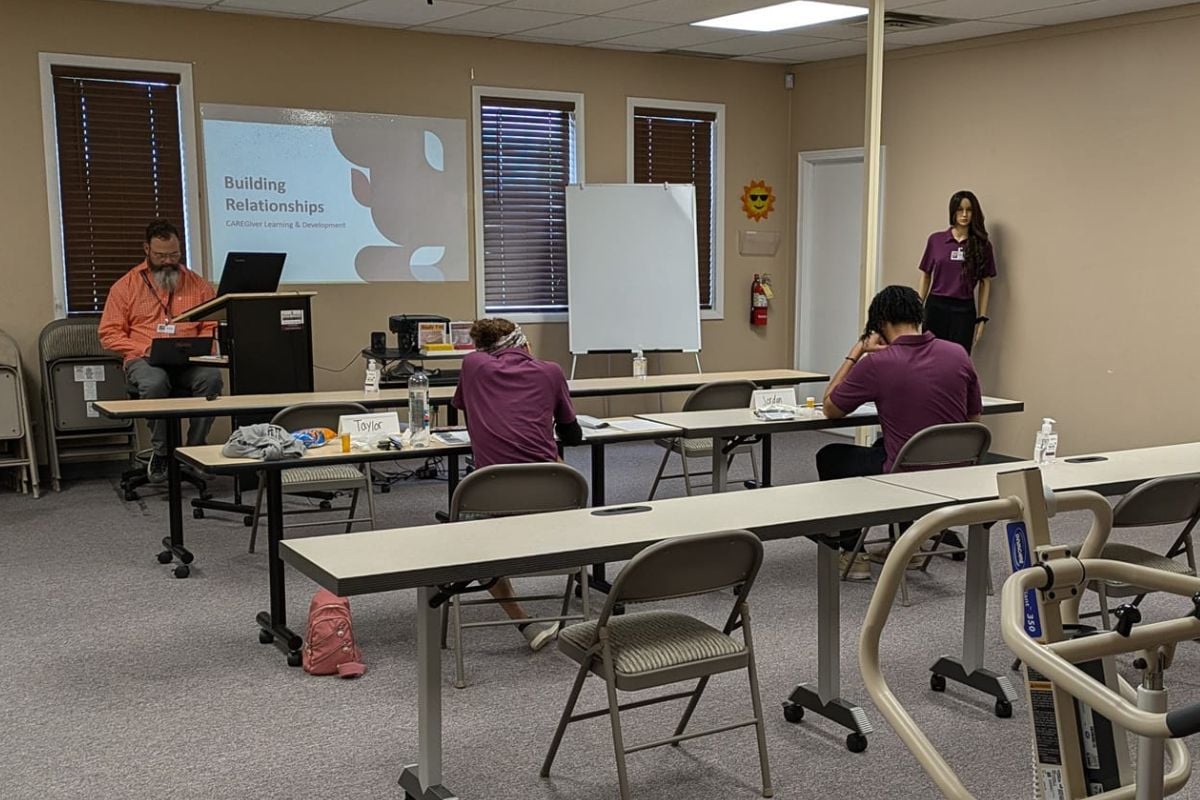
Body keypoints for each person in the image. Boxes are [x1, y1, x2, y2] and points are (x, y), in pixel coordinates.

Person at [816, 286, 982, 580]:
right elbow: (973, 420)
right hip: (959, 474)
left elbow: (830, 406)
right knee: (886, 444)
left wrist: (858, 352)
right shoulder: (957, 353)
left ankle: (855, 555)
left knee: (830, 456)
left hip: (906, 475)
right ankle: (911, 547)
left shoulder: (878, 364)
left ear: (880, 324)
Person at [451, 318, 583, 651]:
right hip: (553, 498)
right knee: (565, 473)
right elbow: (573, 434)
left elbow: (465, 406)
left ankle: (522, 621)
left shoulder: (472, 367)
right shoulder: (550, 371)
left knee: (468, 538)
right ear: (523, 343)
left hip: (491, 496)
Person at [99, 219, 222, 483]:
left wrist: (203, 348)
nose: (168, 261)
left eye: (174, 254)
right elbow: (109, 334)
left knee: (211, 379)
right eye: (161, 255)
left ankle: (194, 451)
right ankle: (163, 453)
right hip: (145, 359)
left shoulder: (198, 285)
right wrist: (144, 348)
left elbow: (210, 326)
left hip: (189, 361)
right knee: (155, 382)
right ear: (146, 249)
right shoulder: (126, 286)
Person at [918, 190, 996, 355]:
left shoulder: (982, 246)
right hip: (935, 307)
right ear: (953, 212)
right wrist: (918, 307)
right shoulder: (936, 240)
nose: (964, 214)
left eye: (969, 210)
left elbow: (985, 282)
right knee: (929, 356)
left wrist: (981, 318)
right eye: (960, 209)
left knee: (958, 359)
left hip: (963, 310)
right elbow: (926, 275)